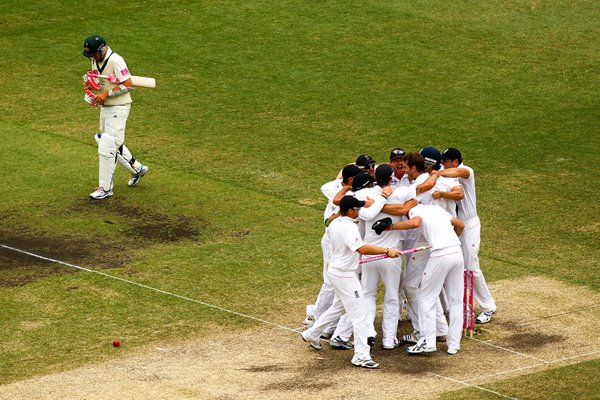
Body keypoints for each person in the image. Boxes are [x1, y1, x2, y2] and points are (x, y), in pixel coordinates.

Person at [301, 196, 401, 369]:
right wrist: (387, 250)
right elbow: (361, 248)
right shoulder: (348, 227)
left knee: (339, 307)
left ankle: (312, 333)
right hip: (344, 275)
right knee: (360, 315)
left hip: (337, 271)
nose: (359, 211)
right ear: (349, 211)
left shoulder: (335, 222)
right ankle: (361, 356)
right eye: (357, 209)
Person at [384, 203, 465, 354]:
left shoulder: (415, 211)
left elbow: (415, 222)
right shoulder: (437, 209)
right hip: (457, 252)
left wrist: (391, 227)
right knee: (456, 301)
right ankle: (454, 345)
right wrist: (448, 240)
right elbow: (460, 225)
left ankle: (428, 342)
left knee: (426, 298)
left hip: (440, 255)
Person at [82, 34, 148, 199]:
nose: (92, 58)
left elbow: (129, 84)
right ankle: (137, 169)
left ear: (102, 49)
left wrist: (106, 94)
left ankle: (105, 188)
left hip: (119, 107)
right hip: (106, 107)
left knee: (107, 144)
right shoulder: (95, 60)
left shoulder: (116, 60)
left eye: (94, 54)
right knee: (104, 140)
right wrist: (93, 92)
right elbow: (101, 82)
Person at [438, 148, 496, 324]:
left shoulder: (466, 171)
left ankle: (487, 307)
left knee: (470, 268)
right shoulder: (447, 175)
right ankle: (456, 307)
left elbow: (457, 172)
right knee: (456, 267)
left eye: (445, 161)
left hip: (469, 225)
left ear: (455, 161)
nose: (442, 164)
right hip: (454, 225)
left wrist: (436, 174)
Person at [303, 164, 362, 336]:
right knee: (331, 284)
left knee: (337, 295)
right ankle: (315, 317)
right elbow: (330, 218)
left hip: (337, 243)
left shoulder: (340, 194)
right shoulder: (342, 200)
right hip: (336, 246)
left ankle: (319, 327)